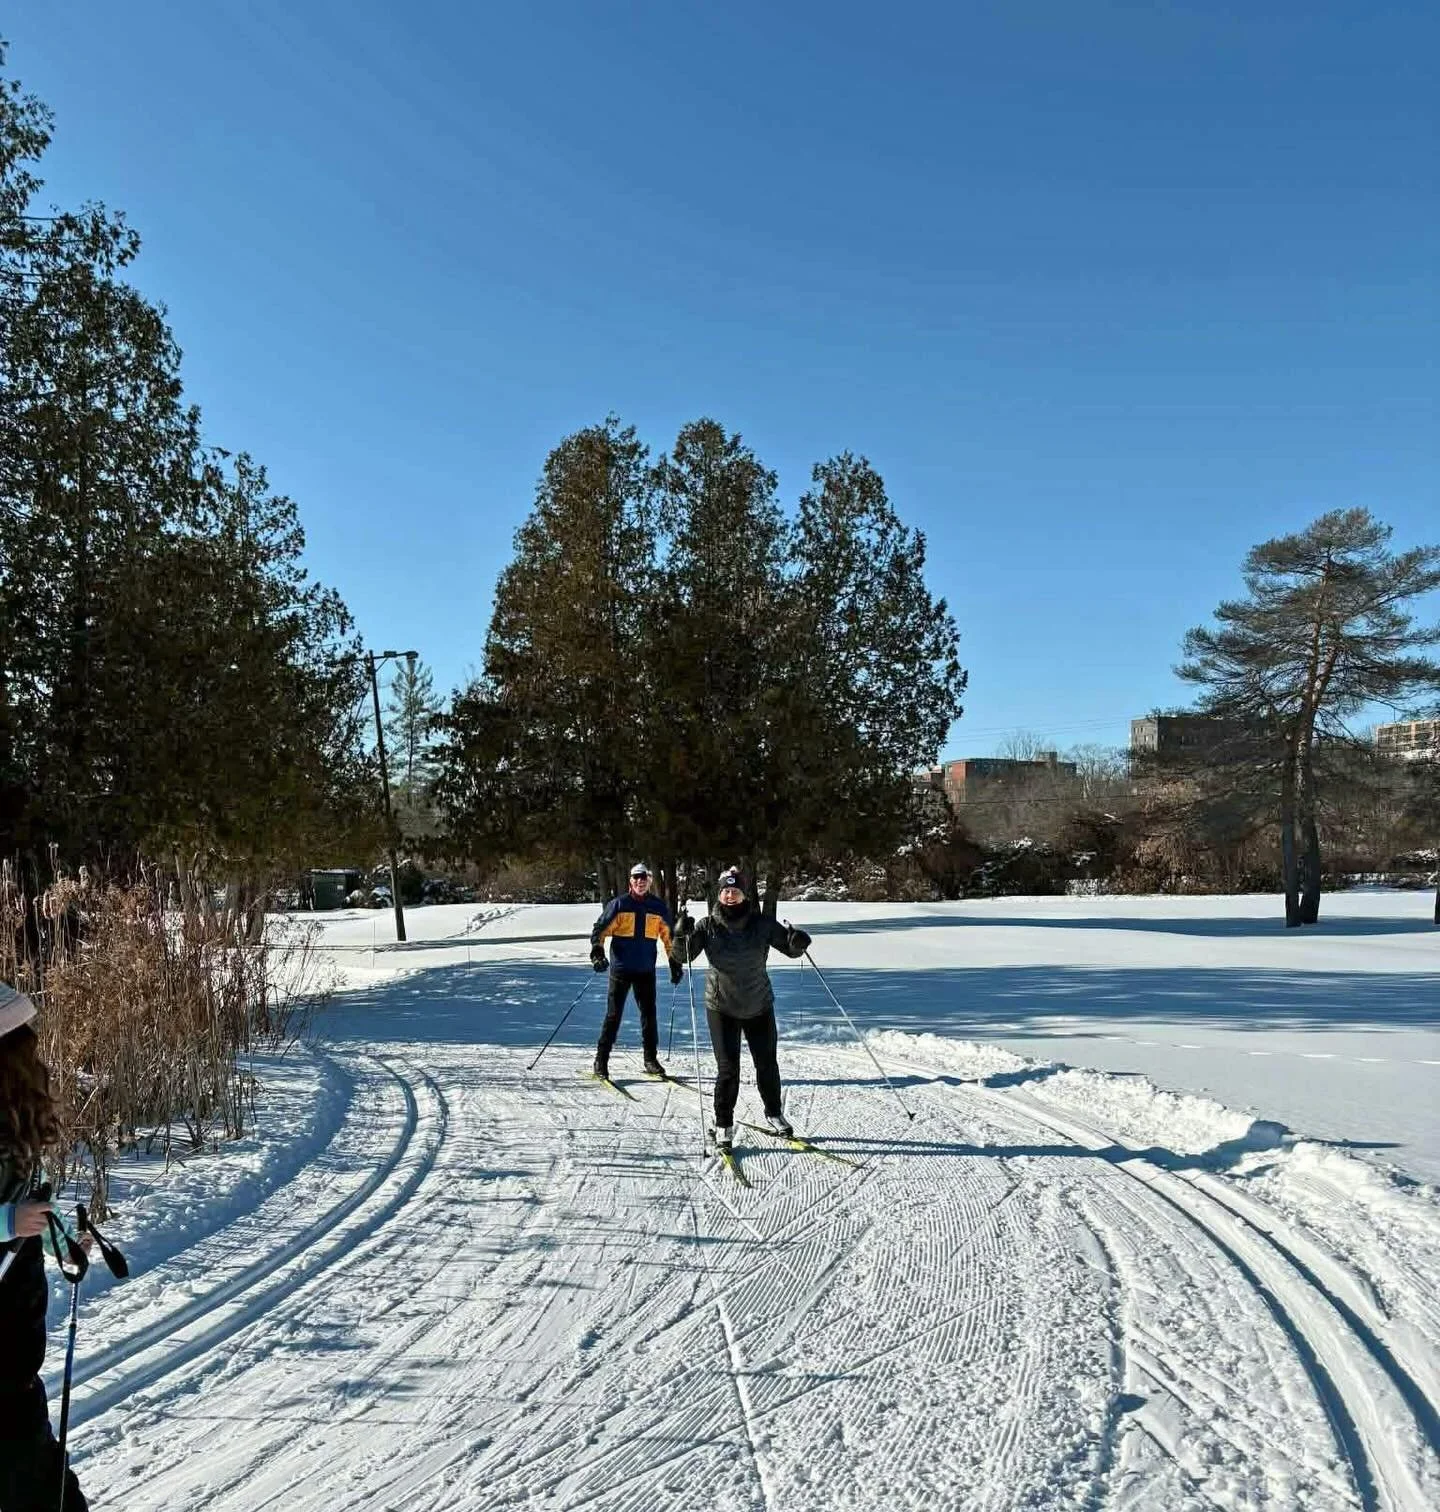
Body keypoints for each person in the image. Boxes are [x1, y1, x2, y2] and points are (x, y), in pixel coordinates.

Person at [0, 981, 89, 1512]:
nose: (35, 1049)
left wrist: (59, 1241)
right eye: (23, 1039)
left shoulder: (14, 1123)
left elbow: (32, 1201)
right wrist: (9, 1219)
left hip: (14, 1333)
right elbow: (14, 1211)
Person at [674, 867, 811, 1151]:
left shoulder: (761, 923)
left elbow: (789, 947)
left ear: (744, 894)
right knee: (728, 1070)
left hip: (759, 1004)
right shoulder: (706, 926)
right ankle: (723, 1123)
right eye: (726, 890)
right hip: (721, 1006)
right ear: (719, 894)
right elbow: (683, 956)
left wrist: (798, 941)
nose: (730, 895)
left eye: (735, 891)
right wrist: (679, 935)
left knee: (767, 1064)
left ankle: (774, 1113)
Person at [590, 863, 683, 1080]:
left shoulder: (657, 907)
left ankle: (650, 1059)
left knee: (649, 1016)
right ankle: (601, 1060)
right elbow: (600, 930)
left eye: (644, 878)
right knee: (613, 1016)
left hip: (645, 970)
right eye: (636, 878)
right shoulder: (619, 904)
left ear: (650, 881)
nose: (640, 882)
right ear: (630, 881)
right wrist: (597, 952)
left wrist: (674, 963)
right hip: (621, 969)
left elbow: (669, 938)